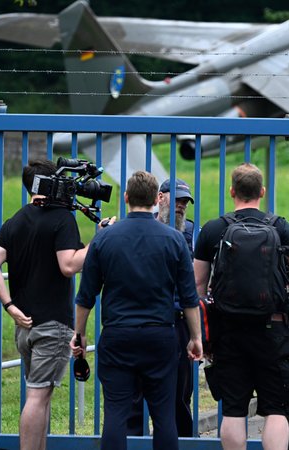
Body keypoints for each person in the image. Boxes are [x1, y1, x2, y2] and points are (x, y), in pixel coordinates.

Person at [193, 163, 289, 450]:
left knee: (233, 409)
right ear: (262, 191)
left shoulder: (213, 229)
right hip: (273, 330)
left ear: (232, 191)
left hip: (229, 331)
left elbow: (197, 285)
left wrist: (200, 334)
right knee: (276, 408)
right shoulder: (279, 227)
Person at [71, 170, 203, 450]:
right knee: (165, 416)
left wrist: (79, 334)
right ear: (157, 199)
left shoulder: (105, 239)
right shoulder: (174, 239)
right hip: (160, 335)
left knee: (116, 413)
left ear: (126, 197)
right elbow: (190, 297)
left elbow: (86, 295)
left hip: (118, 335)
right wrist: (195, 337)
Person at [0, 159, 92, 450]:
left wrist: (9, 305)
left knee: (40, 396)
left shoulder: (16, 220)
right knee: (37, 397)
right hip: (53, 326)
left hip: (26, 329)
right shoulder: (62, 219)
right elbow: (68, 265)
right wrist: (99, 241)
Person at [128, 178, 197, 437]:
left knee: (178, 397)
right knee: (134, 399)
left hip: (179, 322)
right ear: (159, 198)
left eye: (184, 202)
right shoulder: (140, 230)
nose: (180, 205)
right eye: (176, 199)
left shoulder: (192, 233)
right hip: (141, 319)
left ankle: (182, 442)